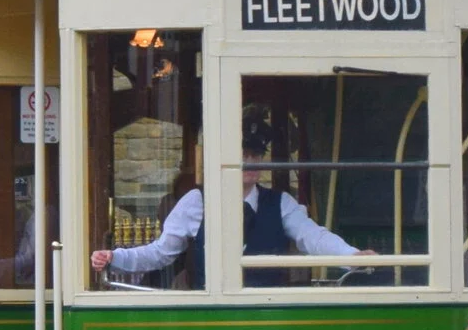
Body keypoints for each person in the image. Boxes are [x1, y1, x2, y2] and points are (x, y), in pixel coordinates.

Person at [92, 118, 359, 288]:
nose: (250, 161)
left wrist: (352, 257)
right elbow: (161, 252)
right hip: (209, 319)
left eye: (255, 154)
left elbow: (313, 237)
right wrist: (115, 258)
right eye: (242, 153)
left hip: (269, 319)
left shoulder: (280, 203)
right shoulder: (197, 201)